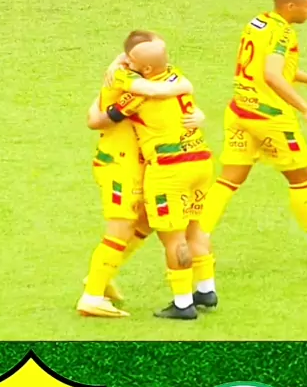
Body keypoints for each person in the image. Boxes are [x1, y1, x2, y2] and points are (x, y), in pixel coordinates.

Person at [201, 0, 307, 261]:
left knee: (229, 179)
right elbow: (272, 75)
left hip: (241, 110)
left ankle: (198, 237)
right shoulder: (283, 32)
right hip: (269, 117)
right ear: (291, 7)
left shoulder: (259, 22)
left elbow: (267, 66)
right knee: (301, 178)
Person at [88, 32, 215, 320]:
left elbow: (98, 120)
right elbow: (184, 91)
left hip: (170, 168)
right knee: (195, 229)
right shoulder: (176, 75)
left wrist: (114, 79)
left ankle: (183, 304)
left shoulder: (137, 95)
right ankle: (206, 289)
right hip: (201, 160)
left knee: (174, 238)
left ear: (143, 68)